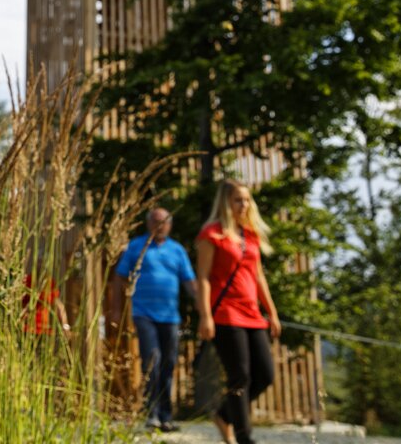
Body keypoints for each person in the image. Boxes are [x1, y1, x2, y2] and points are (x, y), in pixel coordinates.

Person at [195, 180, 281, 444]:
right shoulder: (212, 234)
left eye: (246, 200)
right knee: (240, 375)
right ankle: (244, 437)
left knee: (265, 375)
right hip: (226, 314)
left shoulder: (250, 235)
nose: (243, 205)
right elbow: (203, 278)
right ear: (225, 203)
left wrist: (272, 313)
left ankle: (223, 414)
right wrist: (206, 316)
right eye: (237, 200)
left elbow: (258, 277)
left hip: (252, 314)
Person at [111, 207, 197, 432]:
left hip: (170, 316)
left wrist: (203, 305)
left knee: (168, 363)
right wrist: (117, 309)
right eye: (156, 221)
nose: (160, 226)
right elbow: (119, 277)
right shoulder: (136, 247)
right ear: (148, 223)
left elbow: (189, 281)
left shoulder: (177, 250)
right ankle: (152, 414)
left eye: (165, 222)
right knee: (152, 361)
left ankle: (166, 415)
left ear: (170, 224)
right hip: (143, 313)